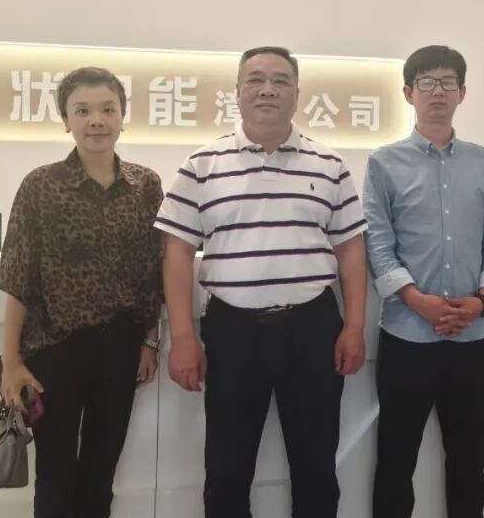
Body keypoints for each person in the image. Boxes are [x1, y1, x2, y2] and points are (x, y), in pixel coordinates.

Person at [155, 46, 368, 518]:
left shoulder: (329, 164)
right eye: (255, 79)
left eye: (280, 80)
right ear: (237, 91)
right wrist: (183, 338)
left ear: (297, 94)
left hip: (313, 328)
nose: (267, 89)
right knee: (226, 470)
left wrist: (354, 327)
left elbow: (351, 251)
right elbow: (177, 253)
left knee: (316, 467)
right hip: (232, 331)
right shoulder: (202, 164)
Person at [0, 66, 165, 518]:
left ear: (122, 117)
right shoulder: (41, 186)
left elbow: (152, 273)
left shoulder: (145, 185)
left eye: (108, 109)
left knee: (100, 474)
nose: (97, 120)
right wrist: (11, 363)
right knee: (55, 477)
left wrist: (150, 341)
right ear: (66, 119)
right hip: (56, 349)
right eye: (83, 110)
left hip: (122, 348)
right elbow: (17, 277)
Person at [363, 45, 484, 518]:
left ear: (462, 93)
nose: (438, 92)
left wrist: (481, 300)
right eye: (427, 82)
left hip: (474, 337)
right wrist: (416, 300)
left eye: (447, 82)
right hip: (407, 336)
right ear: (409, 93)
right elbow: (378, 245)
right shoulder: (383, 163)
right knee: (395, 460)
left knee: (469, 462)